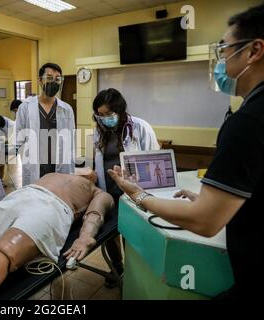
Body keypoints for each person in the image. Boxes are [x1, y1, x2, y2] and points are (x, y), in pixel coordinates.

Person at [109, 3, 264, 300]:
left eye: (225, 50)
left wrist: (138, 194)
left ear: (254, 51)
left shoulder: (248, 121)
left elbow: (204, 222)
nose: (221, 62)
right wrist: (217, 199)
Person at [91, 88, 159, 284]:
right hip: (107, 192)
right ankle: (117, 267)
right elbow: (96, 161)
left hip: (132, 193)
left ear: (119, 111)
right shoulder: (99, 131)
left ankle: (132, 272)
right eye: (100, 115)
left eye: (108, 114)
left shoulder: (140, 127)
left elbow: (154, 159)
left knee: (130, 234)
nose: (104, 119)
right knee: (109, 234)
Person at [16, 63, 75, 186]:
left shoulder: (66, 109)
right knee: (35, 200)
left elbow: (71, 140)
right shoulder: (25, 107)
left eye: (57, 79)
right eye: (49, 78)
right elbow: (19, 139)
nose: (53, 81)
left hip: (59, 165)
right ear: (40, 80)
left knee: (58, 199)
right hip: (35, 166)